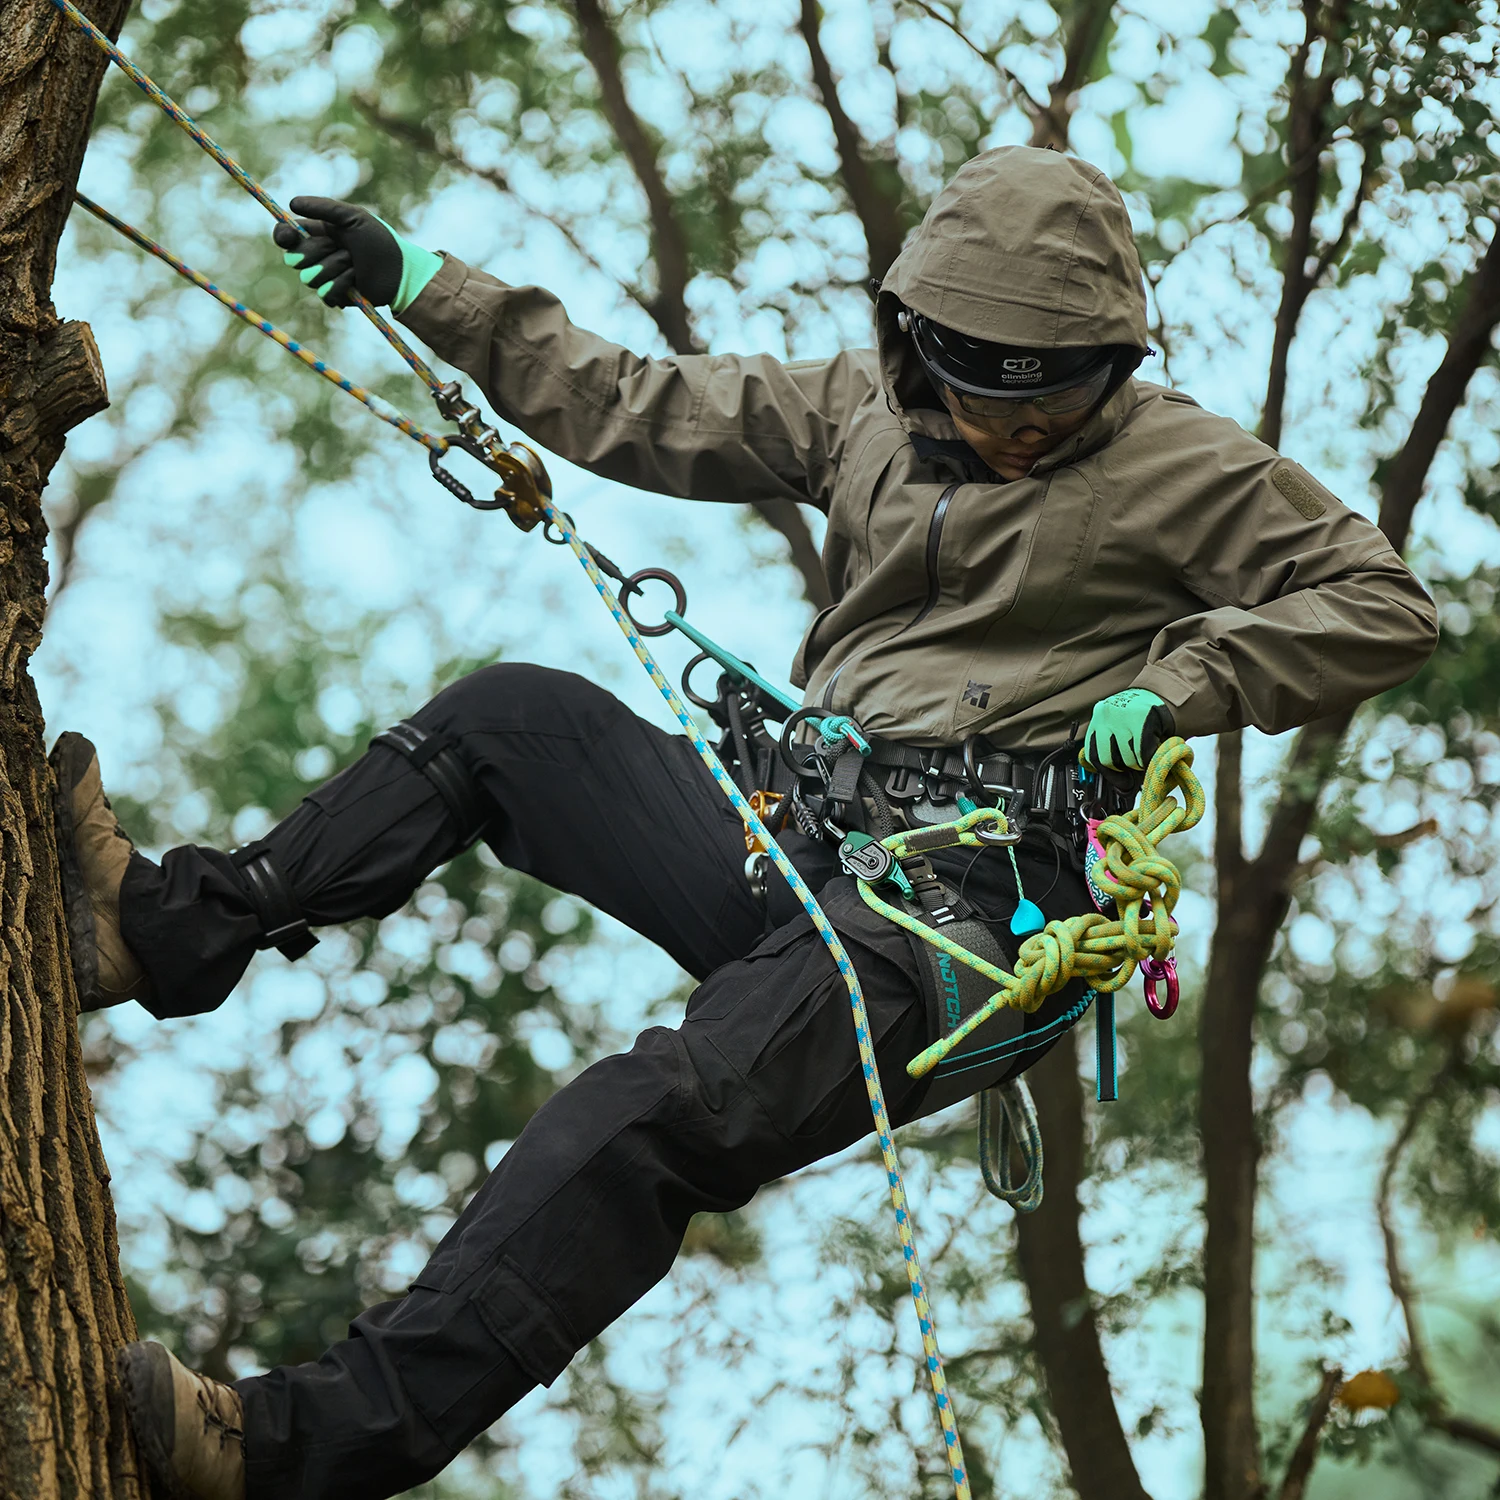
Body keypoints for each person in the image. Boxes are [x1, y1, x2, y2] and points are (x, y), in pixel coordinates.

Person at [55, 146, 1437, 1500]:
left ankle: (297, 1450)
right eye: (981, 395)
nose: (1017, 435)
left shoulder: (1181, 463)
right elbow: (636, 400)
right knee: (504, 722)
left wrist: (1177, 685)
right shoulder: (858, 412)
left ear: (1110, 373)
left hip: (962, 922)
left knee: (660, 1110)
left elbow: (1384, 604)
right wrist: (424, 281)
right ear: (916, 349)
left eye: (1054, 409)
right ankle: (169, 934)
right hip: (790, 830)